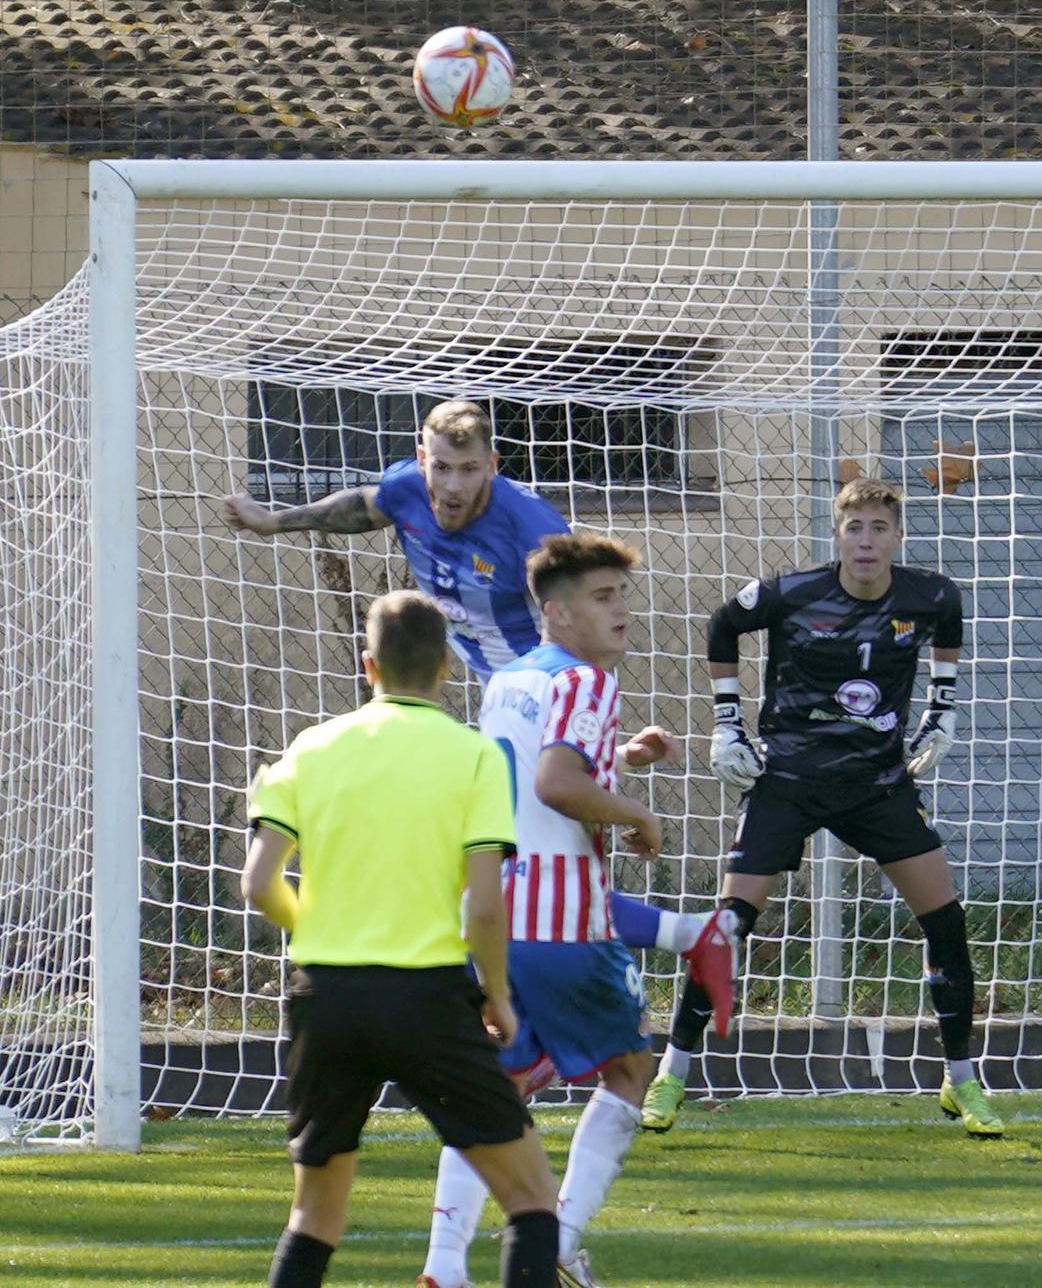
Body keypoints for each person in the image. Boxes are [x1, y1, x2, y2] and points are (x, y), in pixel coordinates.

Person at [221, 401, 732, 1028]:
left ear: (492, 465)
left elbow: (580, 613)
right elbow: (362, 506)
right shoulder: (408, 490)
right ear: (421, 460)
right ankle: (536, 1016)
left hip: (537, 688)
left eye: (468, 470)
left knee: (523, 877)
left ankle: (654, 957)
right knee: (513, 875)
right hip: (500, 700)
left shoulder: (532, 527)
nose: (452, 486)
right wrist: (274, 521)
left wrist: (586, 724)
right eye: (441, 468)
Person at [639, 477, 1004, 1139]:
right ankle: (671, 1073)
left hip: (878, 782)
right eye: (854, 527)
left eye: (878, 528)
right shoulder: (792, 593)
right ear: (837, 533)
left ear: (898, 535)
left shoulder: (931, 595)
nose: (866, 541)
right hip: (790, 778)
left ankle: (962, 1080)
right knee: (728, 925)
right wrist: (728, 725)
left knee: (946, 923)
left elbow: (948, 630)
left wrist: (941, 715)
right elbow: (722, 625)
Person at [240, 590, 559, 1288]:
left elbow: (259, 883)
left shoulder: (310, 748)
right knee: (532, 1201)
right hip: (428, 999)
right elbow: (482, 906)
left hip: (324, 999)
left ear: (368, 665)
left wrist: (319, 930)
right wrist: (498, 996)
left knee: (314, 1218)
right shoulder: (474, 757)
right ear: (446, 666)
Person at [422, 532, 677, 1288]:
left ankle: (443, 1266)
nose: (622, 612)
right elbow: (556, 785)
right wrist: (638, 814)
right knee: (630, 1070)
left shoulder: (510, 680)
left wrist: (622, 761)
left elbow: (537, 767)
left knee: (499, 1091)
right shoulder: (589, 683)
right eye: (604, 598)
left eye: (622, 595)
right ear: (558, 614)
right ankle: (560, 1240)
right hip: (565, 921)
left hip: (497, 914)